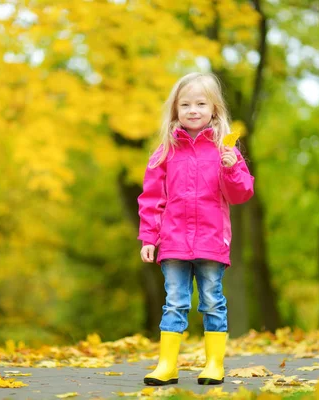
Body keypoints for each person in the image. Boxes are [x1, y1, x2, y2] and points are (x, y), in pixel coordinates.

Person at [137, 72, 254, 386]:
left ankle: (214, 364)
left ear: (214, 108)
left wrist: (232, 169)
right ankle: (167, 365)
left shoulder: (225, 150)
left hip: (211, 241)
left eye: (201, 103)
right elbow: (151, 198)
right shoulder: (164, 152)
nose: (193, 110)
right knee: (175, 301)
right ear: (175, 109)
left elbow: (241, 194)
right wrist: (149, 237)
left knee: (213, 300)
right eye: (185, 104)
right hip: (173, 241)